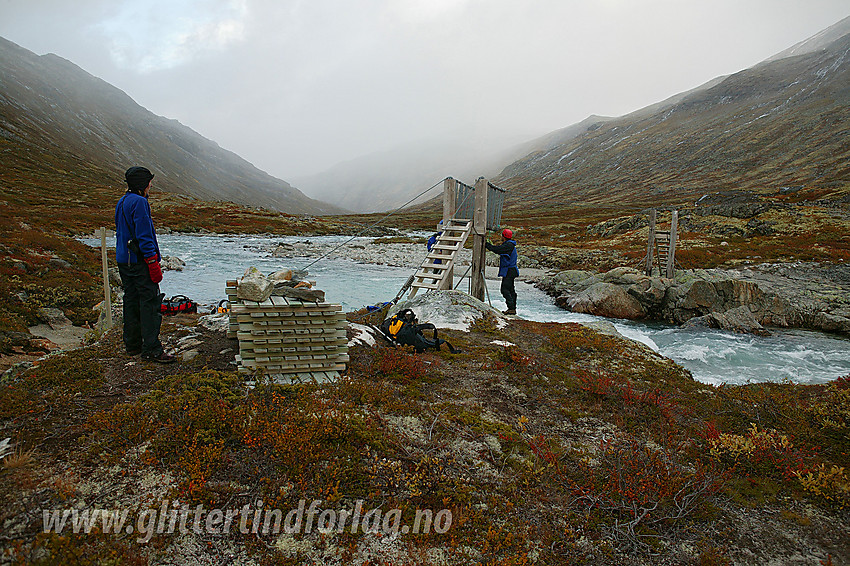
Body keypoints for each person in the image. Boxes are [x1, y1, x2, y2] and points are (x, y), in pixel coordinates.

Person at [115, 166, 175, 363]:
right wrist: (152, 262)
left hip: (124, 260)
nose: (151, 185)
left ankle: (133, 345)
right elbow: (144, 235)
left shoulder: (122, 201)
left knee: (131, 301)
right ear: (142, 184)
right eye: (149, 182)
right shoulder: (140, 203)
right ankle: (152, 349)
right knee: (149, 303)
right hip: (140, 261)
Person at [486, 228, 519, 315]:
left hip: (509, 271)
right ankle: (512, 308)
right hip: (512, 271)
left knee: (504, 289)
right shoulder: (510, 245)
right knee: (511, 289)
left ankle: (511, 308)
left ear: (503, 236)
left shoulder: (508, 246)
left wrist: (487, 245)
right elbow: (499, 249)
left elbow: (497, 250)